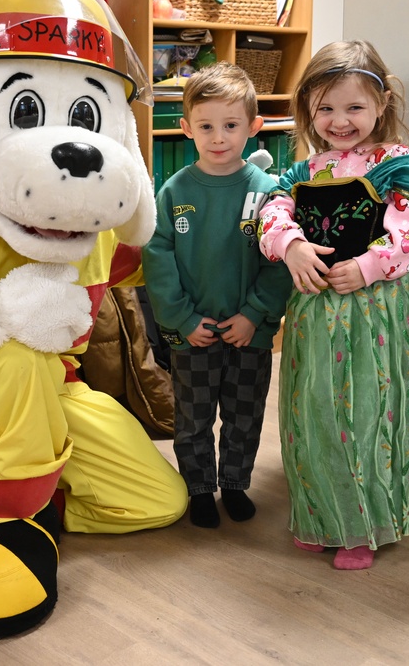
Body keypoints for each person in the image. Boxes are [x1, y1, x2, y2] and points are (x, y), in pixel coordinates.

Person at [258, 39, 409, 570]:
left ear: (381, 105)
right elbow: (271, 211)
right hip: (317, 311)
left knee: (368, 411)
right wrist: (289, 244)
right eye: (326, 108)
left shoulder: (397, 164)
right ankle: (322, 512)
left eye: (354, 107)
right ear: (309, 110)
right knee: (314, 412)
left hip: (377, 311)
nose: (340, 120)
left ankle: (364, 525)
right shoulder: (302, 170)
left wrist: (368, 265)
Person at [143, 62, 292, 529]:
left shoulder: (270, 192)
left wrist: (254, 314)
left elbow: (281, 262)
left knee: (244, 415)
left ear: (254, 126)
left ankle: (234, 483)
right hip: (193, 335)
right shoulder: (173, 191)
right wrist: (183, 319)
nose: (219, 137)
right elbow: (158, 258)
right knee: (193, 418)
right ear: (186, 128)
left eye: (231, 125)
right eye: (206, 126)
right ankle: (200, 488)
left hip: (250, 333)